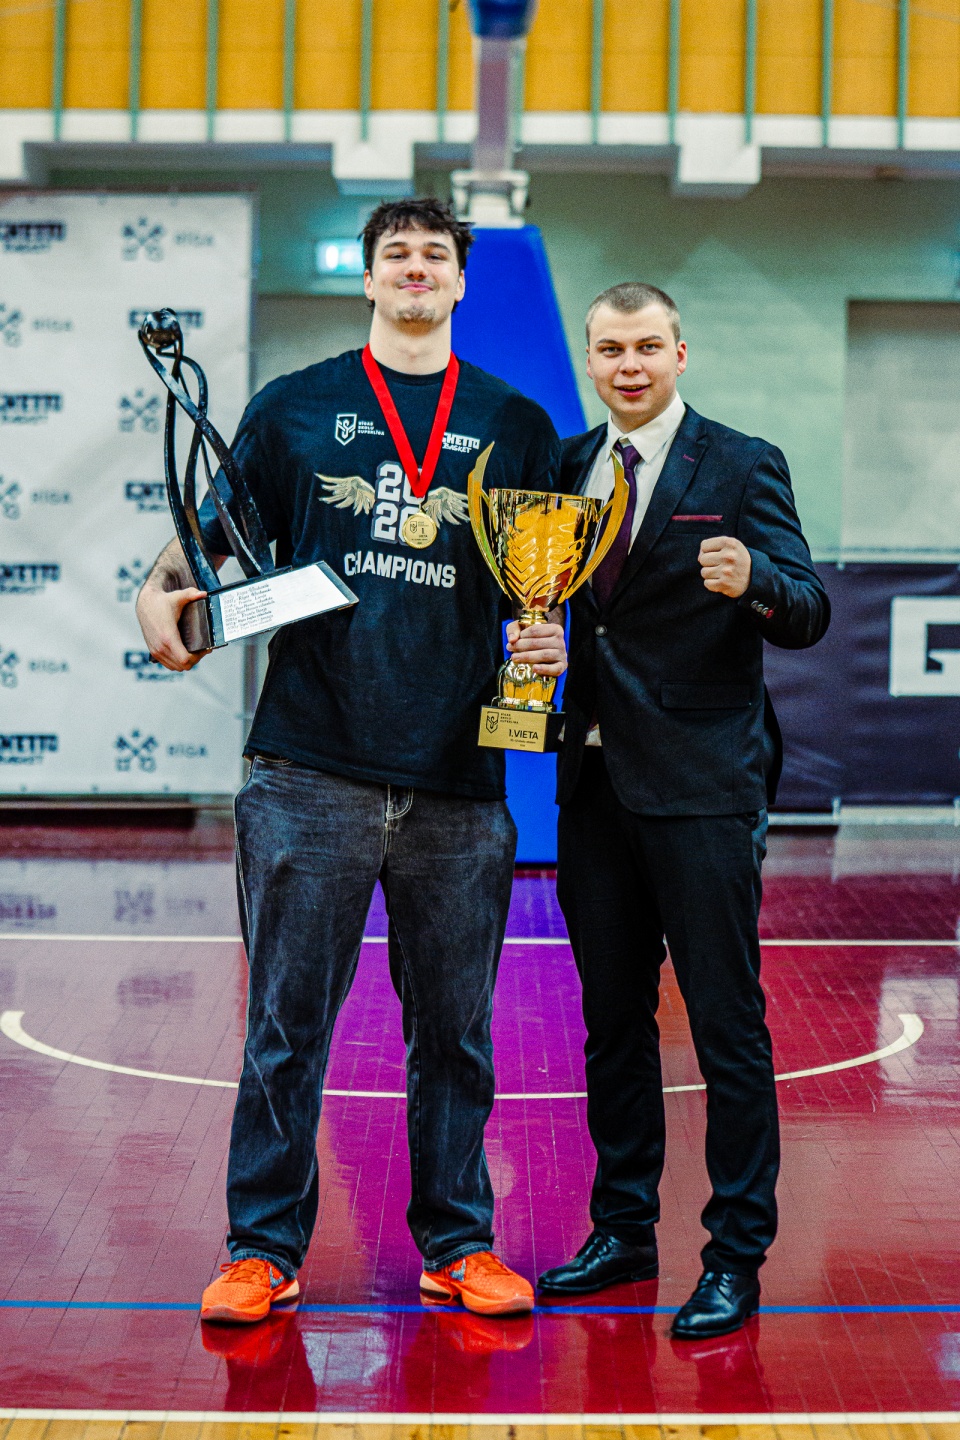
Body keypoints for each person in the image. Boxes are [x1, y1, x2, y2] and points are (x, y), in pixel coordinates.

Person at [136, 196, 567, 1324]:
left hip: (458, 778)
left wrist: (544, 638)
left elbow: (542, 582)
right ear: (368, 279)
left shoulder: (516, 423)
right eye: (396, 254)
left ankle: (458, 1242)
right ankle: (262, 1250)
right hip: (309, 766)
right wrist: (157, 594)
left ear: (461, 281)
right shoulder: (294, 406)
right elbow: (203, 543)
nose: (416, 268)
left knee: (455, 1034)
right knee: (287, 1027)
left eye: (435, 254)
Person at [533, 281, 829, 1339]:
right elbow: (557, 605)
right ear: (591, 359)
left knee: (725, 1027)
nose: (629, 366)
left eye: (647, 347)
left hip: (703, 788)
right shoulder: (565, 466)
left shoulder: (742, 464)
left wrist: (755, 577)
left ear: (680, 354)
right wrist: (537, 647)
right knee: (612, 1026)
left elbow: (809, 610)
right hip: (593, 786)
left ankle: (736, 1255)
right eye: (611, 349)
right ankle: (623, 1230)